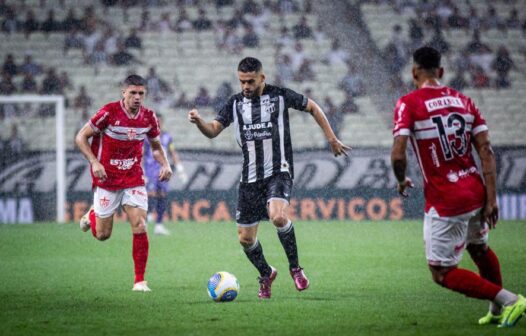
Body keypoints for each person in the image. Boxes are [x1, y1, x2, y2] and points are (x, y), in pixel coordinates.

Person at [188, 57, 350, 299]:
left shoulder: (280, 96)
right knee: (245, 239)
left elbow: (313, 107)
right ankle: (266, 273)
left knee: (278, 216)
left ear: (262, 78)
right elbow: (213, 130)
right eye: (242, 81)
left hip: (278, 171)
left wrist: (332, 138)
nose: (246, 86)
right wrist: (200, 122)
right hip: (249, 179)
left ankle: (295, 268)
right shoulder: (234, 103)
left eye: (250, 81)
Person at [390, 46, 525, 328]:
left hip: (446, 200)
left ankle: (511, 300)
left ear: (414, 72)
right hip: (475, 191)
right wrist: (491, 197)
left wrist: (401, 180)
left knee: (442, 272)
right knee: (479, 248)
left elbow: (398, 154)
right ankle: (498, 311)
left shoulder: (409, 103)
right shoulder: (465, 101)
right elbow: (486, 150)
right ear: (441, 72)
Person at [75, 75, 172, 292]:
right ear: (124, 93)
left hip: (133, 178)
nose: (137, 97)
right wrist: (94, 162)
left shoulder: (148, 117)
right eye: (133, 93)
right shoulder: (108, 113)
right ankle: (91, 215)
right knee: (103, 235)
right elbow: (81, 137)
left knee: (139, 224)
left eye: (141, 93)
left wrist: (165, 164)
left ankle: (140, 281)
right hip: (107, 179)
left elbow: (155, 147)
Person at [143, 113, 188, 235]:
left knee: (162, 195)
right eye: (156, 121)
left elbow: (173, 153)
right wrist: (141, 172)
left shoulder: (167, 137)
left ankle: (159, 225)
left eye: (160, 122)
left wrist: (180, 169)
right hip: (150, 171)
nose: (158, 124)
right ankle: (145, 223)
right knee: (150, 195)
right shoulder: (147, 137)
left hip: (163, 170)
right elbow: (141, 154)